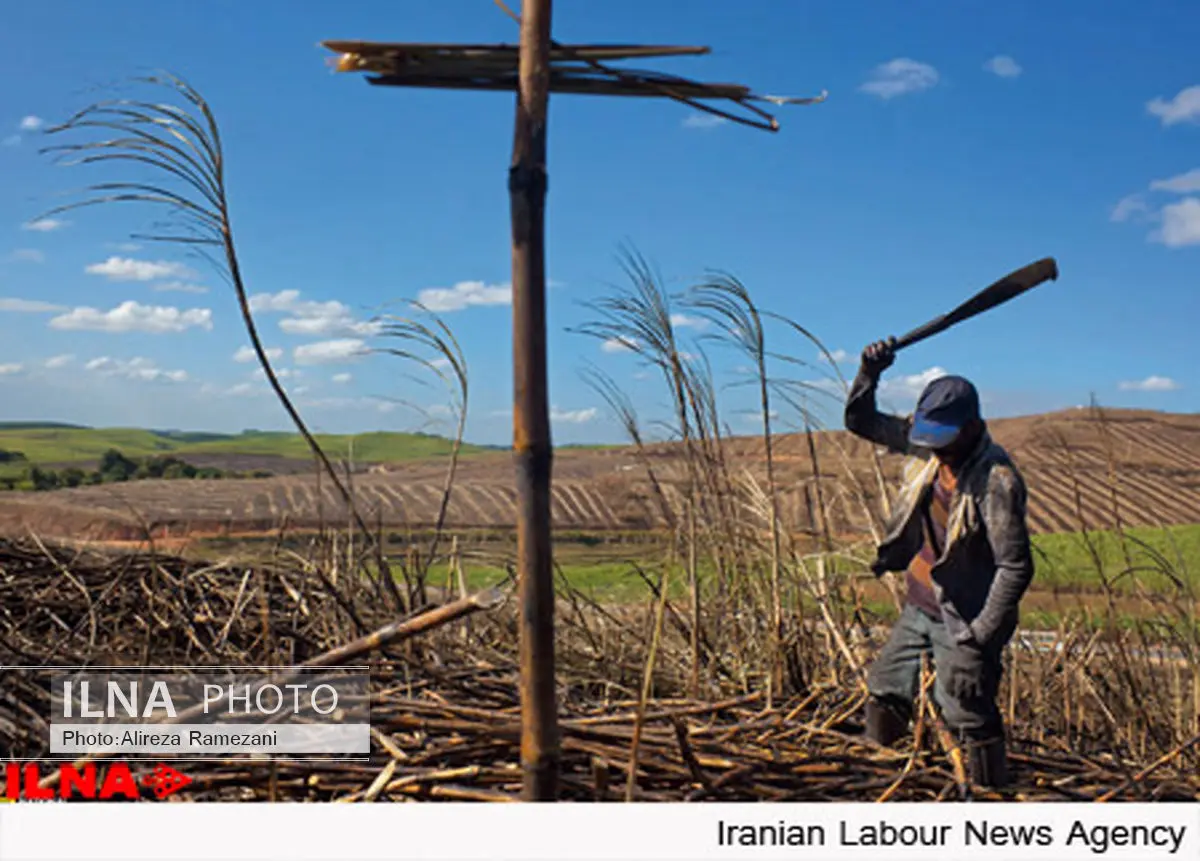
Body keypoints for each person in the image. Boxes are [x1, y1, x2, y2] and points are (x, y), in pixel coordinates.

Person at [844, 337, 1034, 787]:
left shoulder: (997, 481)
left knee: (966, 708)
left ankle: (989, 798)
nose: (937, 450)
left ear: (972, 428)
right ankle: (881, 779)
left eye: (945, 441)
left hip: (967, 620)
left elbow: (1015, 568)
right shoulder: (925, 444)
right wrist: (869, 373)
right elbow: (860, 421)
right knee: (885, 687)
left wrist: (977, 643)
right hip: (920, 604)